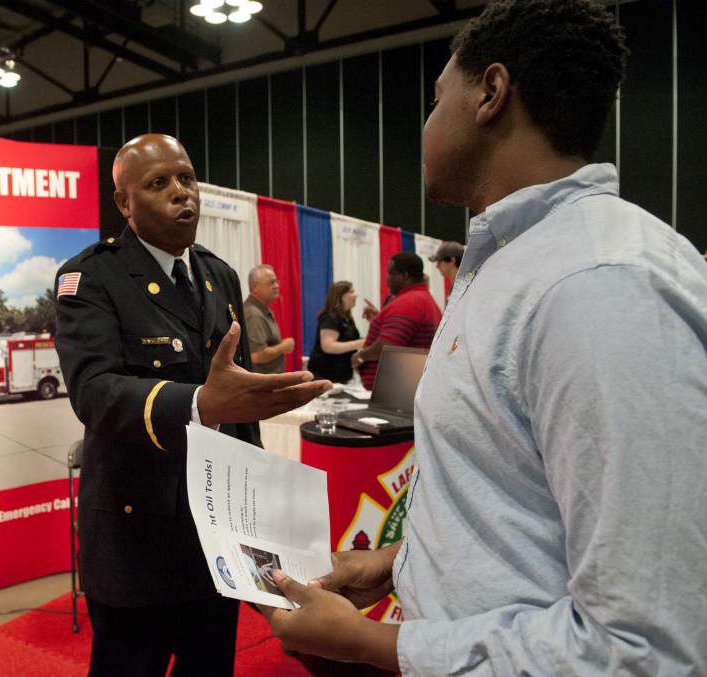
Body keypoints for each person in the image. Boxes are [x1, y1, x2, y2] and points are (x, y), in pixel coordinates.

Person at [261, 1, 707, 674]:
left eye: (437, 99)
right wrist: (395, 563)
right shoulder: (510, 262)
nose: (426, 124)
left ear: (490, 94)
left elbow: (644, 649)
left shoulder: (600, 285)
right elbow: (509, 498)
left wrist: (375, 645)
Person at [53, 133, 330, 677]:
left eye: (186, 178)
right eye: (159, 184)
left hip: (216, 539)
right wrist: (200, 402)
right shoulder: (92, 278)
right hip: (137, 538)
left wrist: (258, 523)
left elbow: (238, 405)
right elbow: (94, 393)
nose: (183, 194)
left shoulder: (218, 275)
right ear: (125, 202)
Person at [352, 252, 442, 390]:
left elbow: (387, 347)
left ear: (404, 275)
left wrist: (360, 356)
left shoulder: (409, 302)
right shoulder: (423, 299)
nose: (387, 279)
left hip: (392, 393)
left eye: (390, 273)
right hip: (403, 389)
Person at [306, 281, 364, 383]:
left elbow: (349, 341)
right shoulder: (329, 317)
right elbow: (328, 346)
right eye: (351, 291)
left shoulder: (347, 318)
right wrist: (359, 343)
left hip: (341, 376)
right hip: (325, 376)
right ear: (341, 296)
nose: (355, 295)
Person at [244, 264, 295, 374]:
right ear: (255, 287)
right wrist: (283, 347)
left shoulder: (262, 310)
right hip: (262, 386)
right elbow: (256, 356)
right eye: (271, 283)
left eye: (276, 282)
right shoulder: (253, 314)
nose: (276, 286)